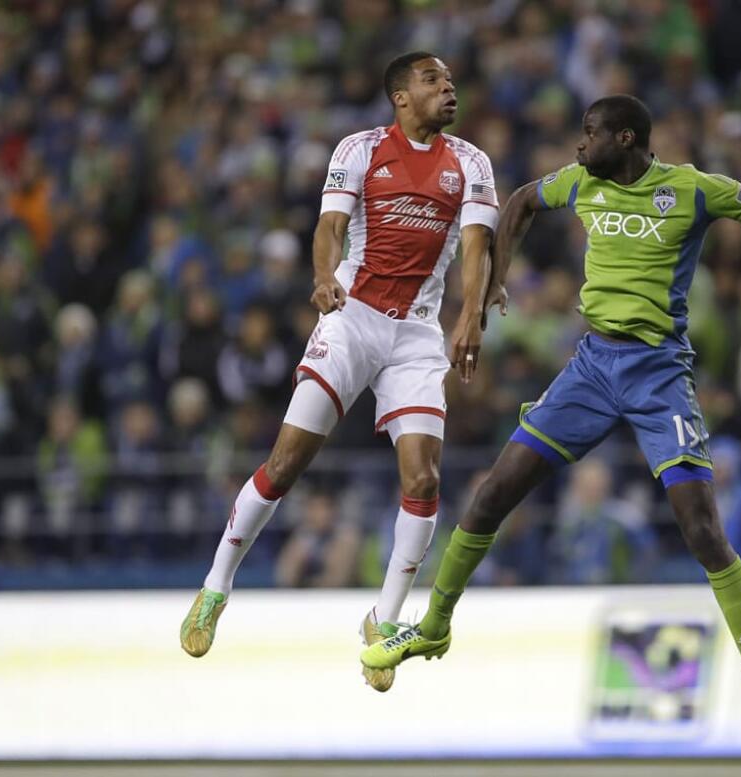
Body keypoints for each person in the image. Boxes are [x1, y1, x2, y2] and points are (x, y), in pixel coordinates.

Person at [360, 95, 741, 737]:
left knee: (702, 529)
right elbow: (517, 203)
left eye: (590, 134)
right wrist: (494, 278)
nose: (578, 146)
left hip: (658, 374)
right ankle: (433, 628)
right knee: (491, 495)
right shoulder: (580, 184)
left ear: (625, 138)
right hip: (592, 367)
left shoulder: (692, 190)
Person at [180, 52, 502, 696]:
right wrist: (324, 278)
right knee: (287, 462)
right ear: (400, 97)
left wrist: (469, 315)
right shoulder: (357, 149)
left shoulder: (470, 162)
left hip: (416, 331)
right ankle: (217, 585)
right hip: (352, 315)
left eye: (450, 80)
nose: (448, 87)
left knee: (425, 476)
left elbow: (475, 246)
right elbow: (329, 227)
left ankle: (384, 621)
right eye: (433, 80)